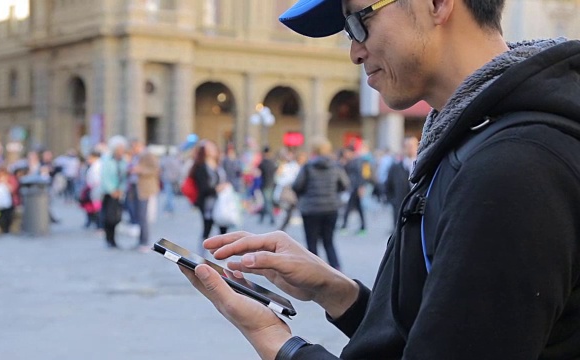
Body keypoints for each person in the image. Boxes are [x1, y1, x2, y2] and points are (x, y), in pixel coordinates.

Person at [179, 0, 580, 359]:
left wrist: (278, 343)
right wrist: (338, 292)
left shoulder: (512, 166)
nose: (354, 51)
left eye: (358, 22)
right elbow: (434, 335)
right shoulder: (472, 137)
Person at [291, 137, 349, 270]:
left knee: (312, 242)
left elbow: (297, 186)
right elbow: (345, 184)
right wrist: (333, 193)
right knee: (328, 241)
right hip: (331, 208)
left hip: (310, 209)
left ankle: (314, 269)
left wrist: (305, 195)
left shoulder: (307, 167)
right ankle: (336, 268)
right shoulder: (336, 167)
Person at [188, 139, 229, 255]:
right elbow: (203, 188)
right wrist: (217, 188)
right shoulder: (201, 167)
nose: (212, 150)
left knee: (223, 227)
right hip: (207, 202)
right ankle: (202, 255)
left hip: (221, 202)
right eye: (209, 148)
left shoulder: (218, 165)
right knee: (207, 228)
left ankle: (223, 254)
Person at [100, 136, 128, 249]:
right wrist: (112, 190)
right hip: (109, 193)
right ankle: (109, 239)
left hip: (119, 192)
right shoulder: (107, 160)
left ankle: (113, 238)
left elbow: (124, 177)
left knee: (117, 217)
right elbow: (105, 176)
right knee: (109, 217)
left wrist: (121, 189)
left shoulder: (123, 161)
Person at [131, 146, 160, 252]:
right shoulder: (137, 156)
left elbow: (155, 169)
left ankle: (144, 241)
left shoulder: (147, 155)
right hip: (138, 189)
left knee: (143, 216)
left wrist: (140, 170)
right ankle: (141, 240)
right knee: (139, 216)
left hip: (145, 189)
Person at [385, 136, 419, 224]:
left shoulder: (422, 166)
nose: (410, 149)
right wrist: (394, 202)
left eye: (412, 146)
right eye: (407, 146)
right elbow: (388, 186)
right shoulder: (395, 167)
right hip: (400, 208)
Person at [338, 145, 367, 235]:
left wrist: (361, 187)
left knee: (352, 208)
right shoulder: (348, 162)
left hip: (355, 188)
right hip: (351, 187)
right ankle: (361, 226)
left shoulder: (357, 161)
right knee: (356, 208)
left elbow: (360, 175)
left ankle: (346, 226)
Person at [257, 146, 277, 225]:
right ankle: (262, 217)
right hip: (272, 184)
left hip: (265, 184)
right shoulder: (272, 162)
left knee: (267, 202)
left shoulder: (263, 163)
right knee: (267, 201)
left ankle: (271, 218)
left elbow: (257, 171)